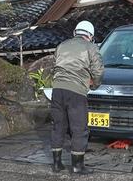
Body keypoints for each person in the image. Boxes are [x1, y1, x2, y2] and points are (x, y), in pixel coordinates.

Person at [50, 20, 104, 175]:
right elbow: (98, 71)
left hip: (57, 90)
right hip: (76, 92)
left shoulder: (62, 45)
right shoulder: (91, 47)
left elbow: (55, 66)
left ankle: (56, 164)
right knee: (79, 128)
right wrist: (93, 85)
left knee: (58, 126)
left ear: (75, 32)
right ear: (90, 36)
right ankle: (77, 166)